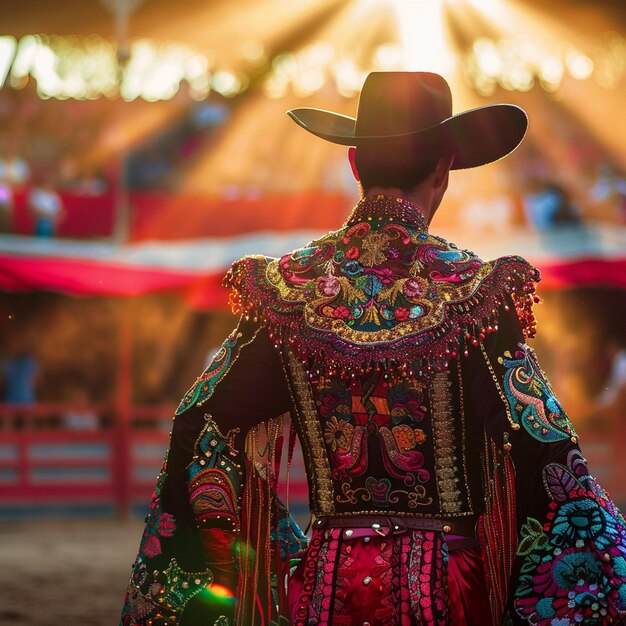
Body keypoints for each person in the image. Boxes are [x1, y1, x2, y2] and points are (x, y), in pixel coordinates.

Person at [120, 73, 626, 626]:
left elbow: (199, 420)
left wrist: (272, 554)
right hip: (446, 586)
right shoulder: (472, 290)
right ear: (442, 170)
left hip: (326, 582)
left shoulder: (289, 288)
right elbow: (545, 450)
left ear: (355, 165)